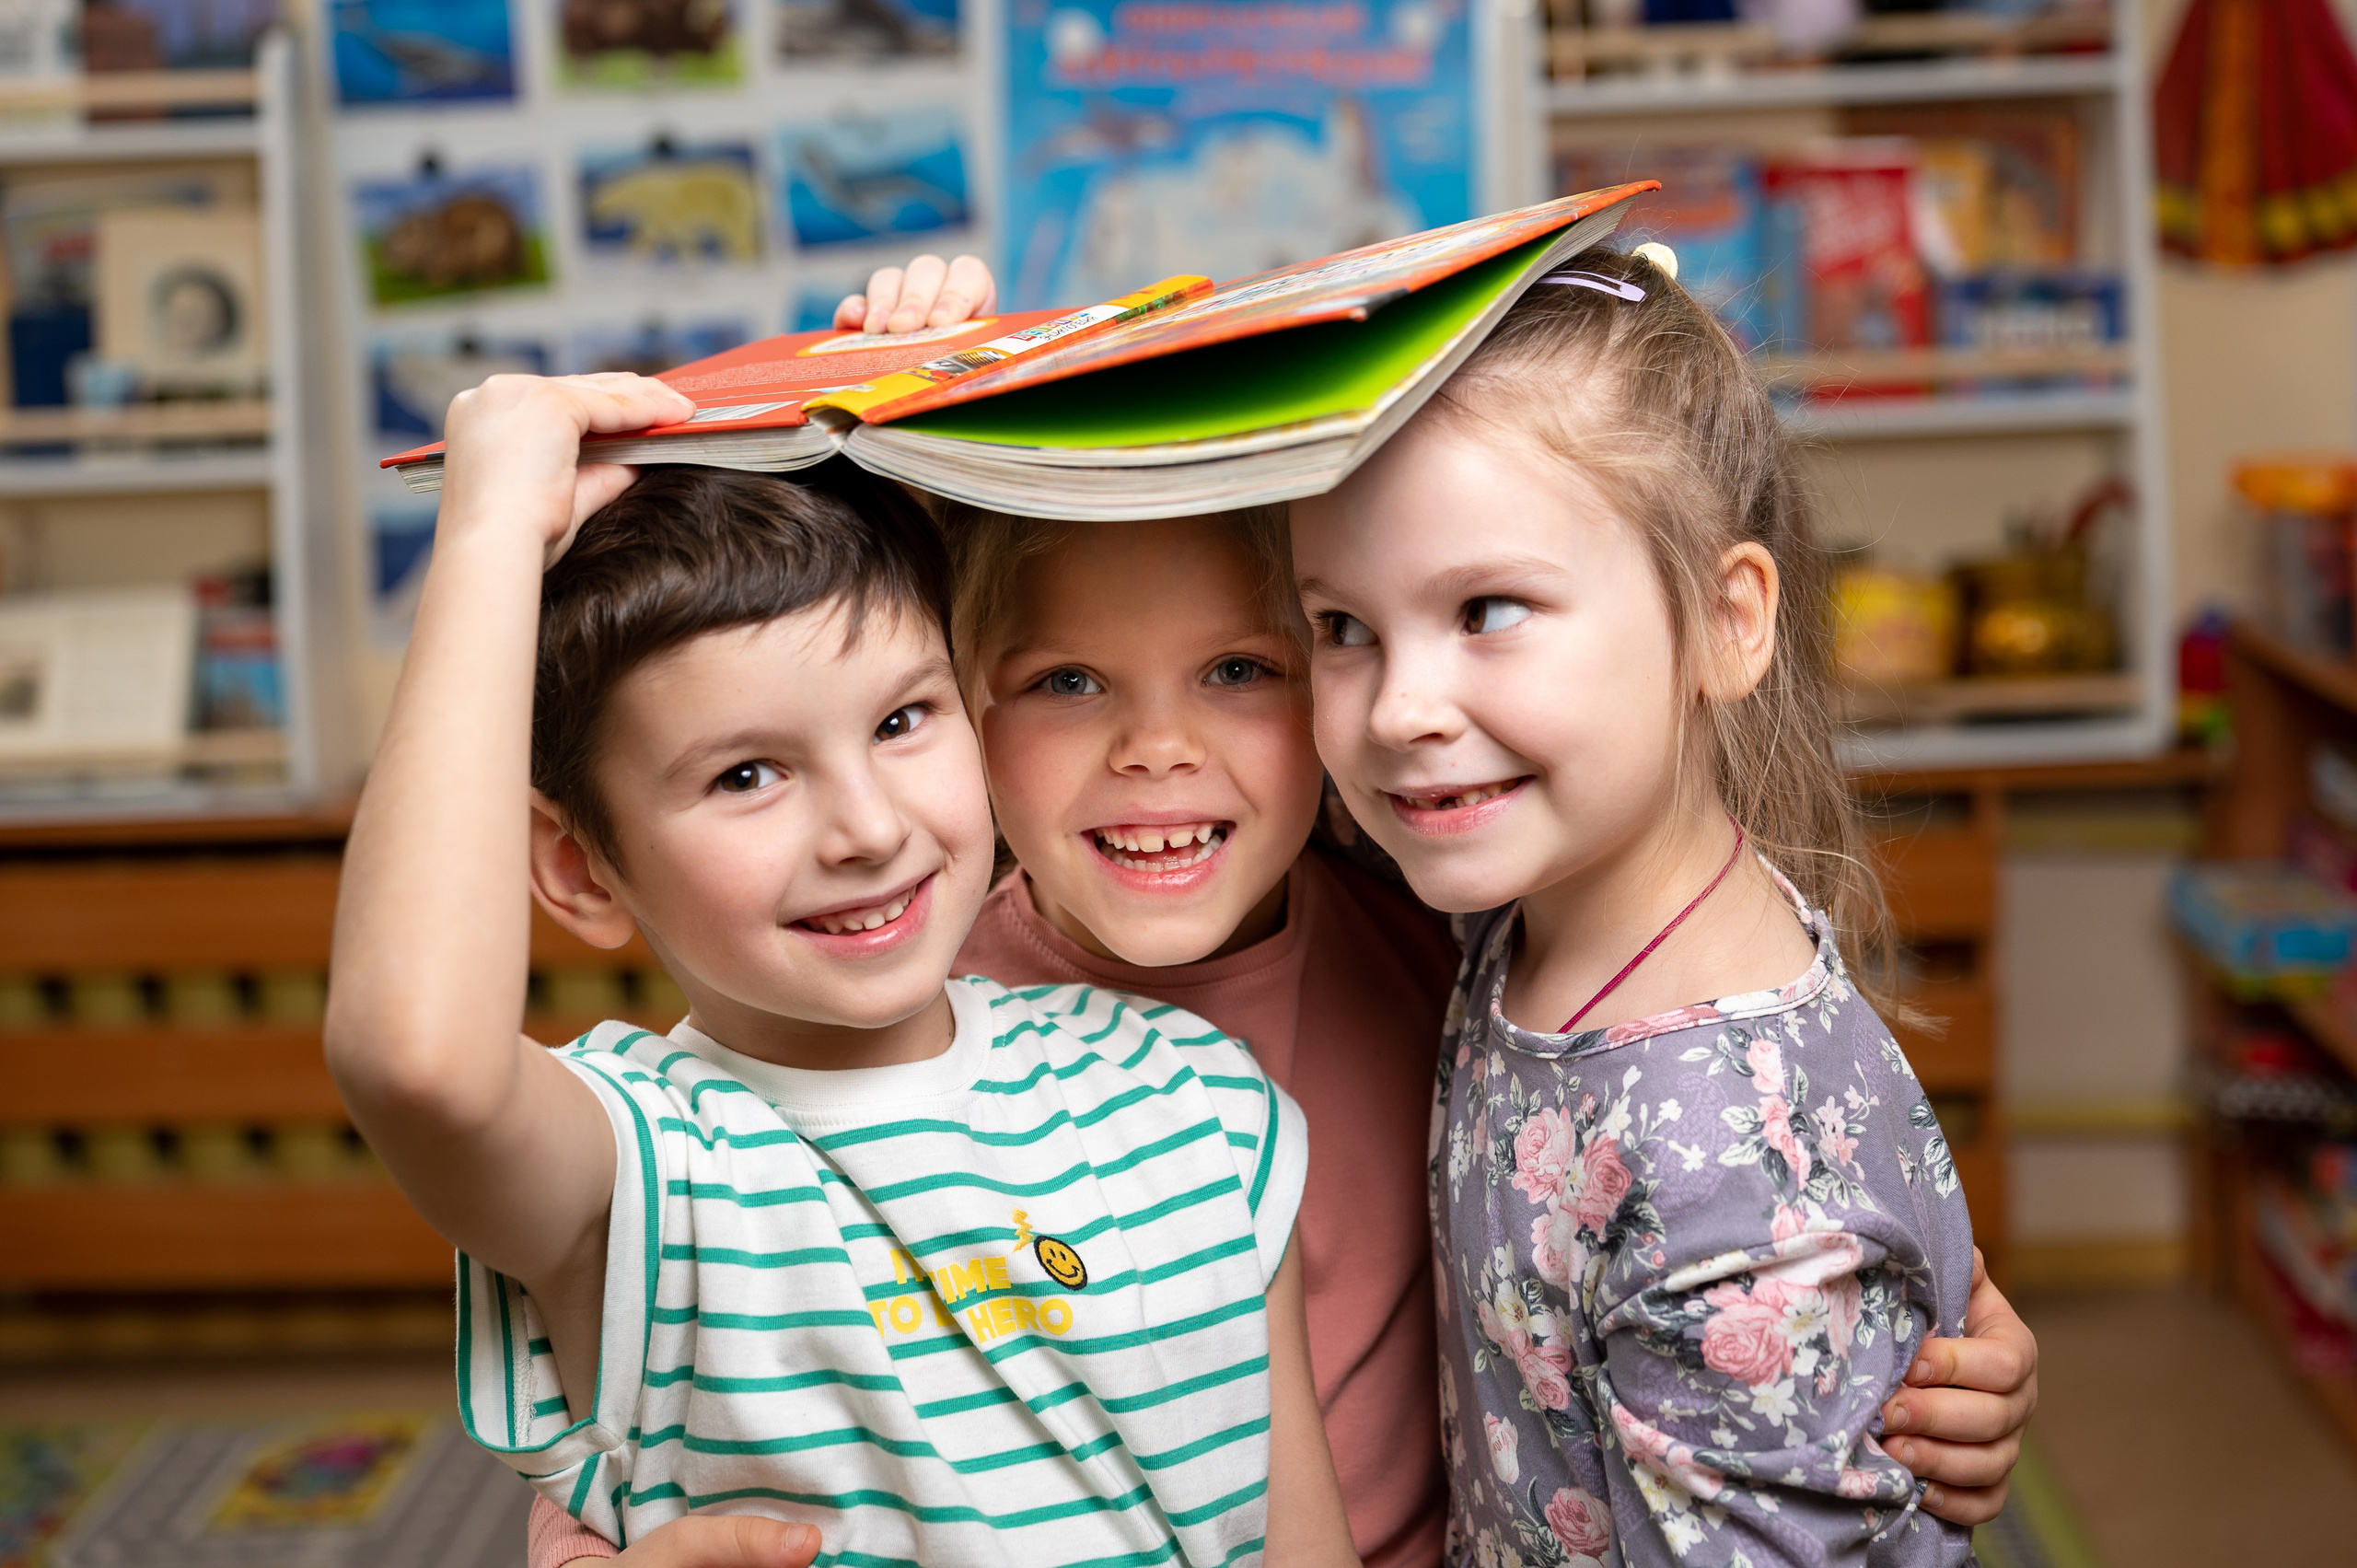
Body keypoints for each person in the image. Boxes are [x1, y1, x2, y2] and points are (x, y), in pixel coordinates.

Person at [537, 493, 2036, 1568]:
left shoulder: (1441, 939)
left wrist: (1939, 1356)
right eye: (1064, 683)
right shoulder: (888, 1011)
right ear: (949, 713)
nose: (1157, 746)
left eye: (1243, 670)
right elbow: (680, 1284)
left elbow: (1727, 1156)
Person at [322, 372, 1358, 1568]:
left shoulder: (1198, 1097)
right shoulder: (643, 1176)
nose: (865, 829)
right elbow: (416, 1060)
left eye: (901, 722)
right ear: (578, 869)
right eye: (747, 776)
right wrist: (489, 536)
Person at [1287, 247, 1987, 1565]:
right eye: (1342, 627)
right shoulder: (1537, 890)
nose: (1397, 710)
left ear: (1728, 623)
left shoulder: (1722, 1186)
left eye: (1488, 609)